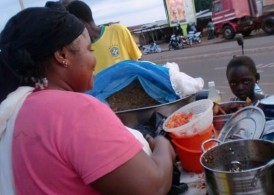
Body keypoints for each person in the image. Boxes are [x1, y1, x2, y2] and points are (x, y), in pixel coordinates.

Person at [0, 2, 175, 194]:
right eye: (90, 50)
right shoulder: (76, 111)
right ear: (62, 54)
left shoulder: (17, 112)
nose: (94, 60)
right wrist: (163, 145)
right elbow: (153, 187)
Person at [66, 0, 142, 73]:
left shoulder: (118, 31)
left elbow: (138, 61)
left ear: (80, 22)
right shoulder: (80, 51)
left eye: (71, 25)